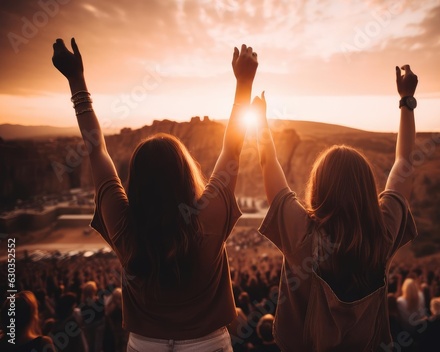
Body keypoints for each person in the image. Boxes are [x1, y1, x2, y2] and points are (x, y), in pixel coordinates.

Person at [52, 38, 259, 351]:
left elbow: (97, 153)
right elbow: (232, 148)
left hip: (143, 344)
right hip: (208, 344)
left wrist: (76, 82)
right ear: (186, 174)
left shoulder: (124, 226)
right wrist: (244, 83)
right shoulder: (208, 217)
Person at [254, 65, 419, 351]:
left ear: (318, 187)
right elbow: (403, 163)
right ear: (367, 188)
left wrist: (260, 122)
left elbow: (269, 164)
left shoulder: (301, 235)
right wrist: (407, 101)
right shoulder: (383, 232)